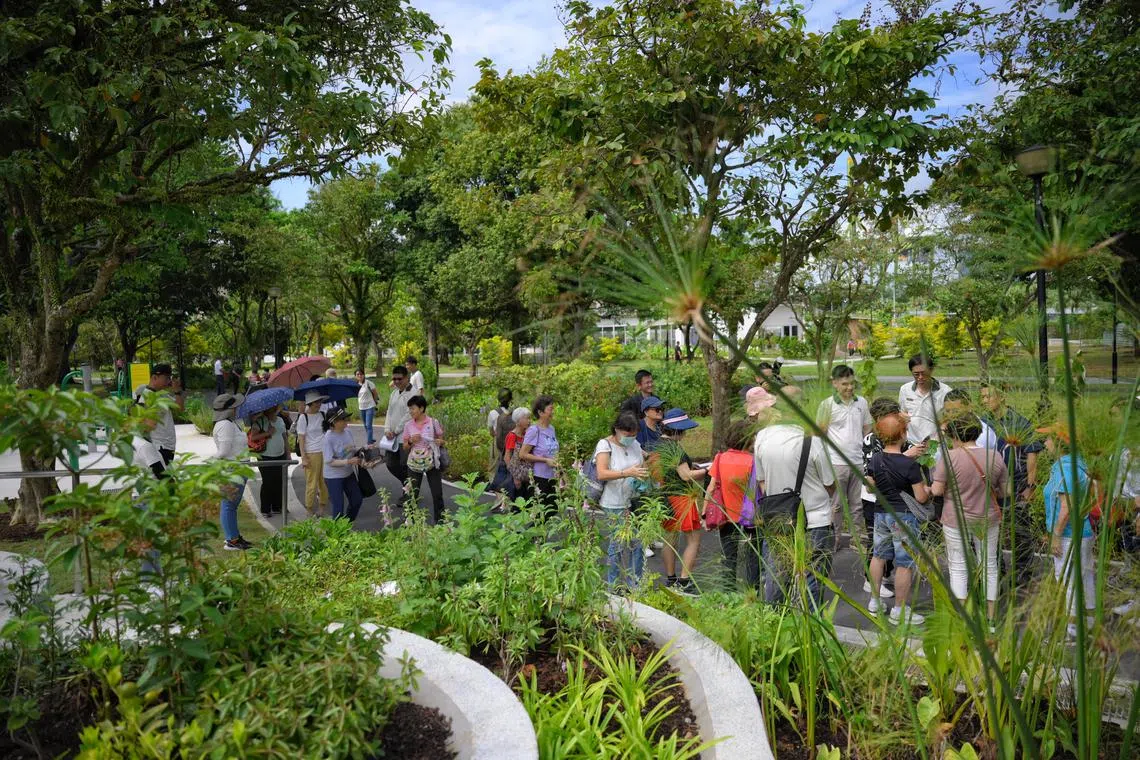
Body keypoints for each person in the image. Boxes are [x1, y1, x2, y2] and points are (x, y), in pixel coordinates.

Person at [754, 405, 836, 607]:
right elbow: (829, 484)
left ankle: (776, 620)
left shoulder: (762, 437)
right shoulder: (813, 441)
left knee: (776, 575)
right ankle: (809, 626)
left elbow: (762, 482)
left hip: (778, 518)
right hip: (815, 519)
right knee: (812, 577)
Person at [931, 413, 1008, 619]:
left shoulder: (949, 457)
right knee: (990, 565)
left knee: (958, 567)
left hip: (955, 519)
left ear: (954, 435)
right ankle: (991, 618)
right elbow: (1005, 491)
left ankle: (964, 619)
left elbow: (937, 491)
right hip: (988, 518)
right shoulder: (995, 456)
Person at [866, 413, 931, 625]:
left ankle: (875, 602)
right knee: (904, 562)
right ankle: (900, 610)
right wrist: (930, 490)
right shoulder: (909, 465)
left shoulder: (875, 459)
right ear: (903, 434)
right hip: (903, 516)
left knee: (879, 555)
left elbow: (869, 484)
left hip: (880, 513)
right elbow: (920, 497)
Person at [979, 382, 1045, 583]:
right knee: (992, 533)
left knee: (1020, 531)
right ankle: (996, 570)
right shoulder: (982, 423)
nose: (984, 401)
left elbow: (1032, 454)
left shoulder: (1019, 422)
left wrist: (1030, 486)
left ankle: (1023, 571)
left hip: (1016, 486)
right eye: (981, 397)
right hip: (990, 488)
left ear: (1001, 397)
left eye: (988, 396)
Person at [1039, 422, 1096, 635]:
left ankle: (1073, 631)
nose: (1045, 443)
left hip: (1069, 536)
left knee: (1068, 580)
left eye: (1048, 438)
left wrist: (1055, 536)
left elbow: (1066, 508)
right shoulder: (1078, 464)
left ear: (1060, 443)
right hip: (1083, 532)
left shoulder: (1067, 469)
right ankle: (1088, 622)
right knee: (1085, 577)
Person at [859, 397, 918, 600]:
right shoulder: (871, 440)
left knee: (887, 547)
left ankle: (884, 577)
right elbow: (878, 469)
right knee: (877, 546)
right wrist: (908, 456)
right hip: (875, 498)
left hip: (894, 497)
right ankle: (872, 580)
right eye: (894, 415)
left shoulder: (897, 434)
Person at [817, 364, 873, 545]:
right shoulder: (827, 405)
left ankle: (856, 539)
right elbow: (820, 434)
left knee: (857, 504)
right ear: (834, 383)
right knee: (837, 505)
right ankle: (834, 539)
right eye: (844, 384)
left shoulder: (862, 402)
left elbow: (867, 429)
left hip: (858, 461)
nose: (849, 387)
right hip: (836, 462)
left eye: (851, 384)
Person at [593, 411, 650, 588]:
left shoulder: (635, 445)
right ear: (617, 430)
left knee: (638, 543)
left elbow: (643, 464)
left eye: (634, 434)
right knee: (617, 544)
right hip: (614, 503)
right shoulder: (605, 445)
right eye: (627, 434)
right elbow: (602, 473)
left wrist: (644, 473)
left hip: (633, 500)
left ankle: (635, 584)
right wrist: (627, 473)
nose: (631, 438)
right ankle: (613, 585)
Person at [704, 419, 762, 589]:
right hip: (751, 517)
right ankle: (754, 592)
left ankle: (728, 593)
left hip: (726, 517)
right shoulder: (754, 461)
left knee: (729, 558)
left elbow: (711, 486)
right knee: (754, 559)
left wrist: (704, 513)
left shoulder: (720, 458)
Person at [656, 407, 707, 594]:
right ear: (678, 430)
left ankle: (671, 578)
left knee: (670, 540)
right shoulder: (675, 448)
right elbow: (686, 476)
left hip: (665, 496)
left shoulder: (657, 444)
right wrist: (707, 471)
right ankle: (685, 581)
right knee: (693, 540)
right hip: (681, 498)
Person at [212, 393, 252, 550]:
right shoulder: (225, 425)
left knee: (232, 505)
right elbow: (223, 451)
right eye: (234, 406)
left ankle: (234, 536)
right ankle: (232, 540)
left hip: (238, 468)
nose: (237, 408)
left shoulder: (231, 423)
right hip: (232, 469)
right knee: (228, 505)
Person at [402, 395, 446, 524]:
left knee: (437, 493)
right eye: (409, 409)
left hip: (432, 461)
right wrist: (410, 441)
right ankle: (410, 521)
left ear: (421, 408)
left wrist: (439, 442)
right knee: (412, 494)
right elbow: (405, 447)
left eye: (413, 409)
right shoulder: (408, 425)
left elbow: (442, 440)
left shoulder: (433, 422)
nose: (411, 412)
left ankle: (441, 522)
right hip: (414, 462)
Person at [134, 363, 183, 465]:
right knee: (163, 479)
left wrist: (177, 391)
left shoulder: (162, 394)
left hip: (168, 445)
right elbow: (144, 426)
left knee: (165, 477)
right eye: (166, 378)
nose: (169, 381)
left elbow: (180, 408)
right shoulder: (146, 396)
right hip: (158, 446)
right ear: (154, 377)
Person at [321, 408, 365, 520]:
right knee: (338, 507)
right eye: (343, 419)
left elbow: (352, 449)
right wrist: (349, 461)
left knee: (357, 500)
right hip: (333, 477)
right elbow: (329, 461)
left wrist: (364, 449)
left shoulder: (348, 432)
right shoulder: (328, 438)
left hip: (348, 473)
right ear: (334, 422)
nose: (346, 421)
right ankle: (337, 534)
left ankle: (346, 525)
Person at [898, 355, 952, 445]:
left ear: (931, 370)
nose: (920, 377)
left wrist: (940, 435)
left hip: (937, 444)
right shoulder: (905, 389)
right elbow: (903, 412)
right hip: (911, 443)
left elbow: (950, 418)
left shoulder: (945, 391)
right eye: (916, 374)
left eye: (924, 373)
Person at [521, 394, 560, 519]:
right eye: (550, 409)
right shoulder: (534, 430)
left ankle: (540, 538)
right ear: (540, 412)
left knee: (552, 510)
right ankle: (534, 538)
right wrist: (545, 460)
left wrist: (562, 474)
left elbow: (554, 454)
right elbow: (523, 454)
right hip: (539, 479)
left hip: (552, 477)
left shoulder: (551, 429)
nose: (553, 412)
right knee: (540, 514)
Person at [383, 366, 416, 498]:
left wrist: (396, 430)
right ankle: (408, 486)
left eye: (399, 379)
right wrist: (386, 429)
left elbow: (410, 415)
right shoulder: (394, 393)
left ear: (406, 378)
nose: (396, 381)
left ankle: (409, 494)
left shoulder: (413, 394)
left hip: (406, 436)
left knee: (404, 465)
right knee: (390, 464)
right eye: (394, 379)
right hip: (392, 438)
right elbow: (389, 413)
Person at [296, 390, 330, 516]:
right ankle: (309, 509)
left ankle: (322, 507)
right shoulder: (303, 418)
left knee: (323, 481)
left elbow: (327, 431)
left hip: (324, 451)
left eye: (320, 401)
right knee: (312, 482)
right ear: (310, 403)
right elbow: (301, 439)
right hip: (311, 453)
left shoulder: (323, 414)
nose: (319, 404)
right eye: (316, 402)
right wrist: (304, 457)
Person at [253, 406, 287, 517]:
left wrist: (288, 453)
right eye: (270, 411)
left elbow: (284, 436)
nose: (272, 412)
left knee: (279, 481)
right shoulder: (260, 421)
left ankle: (277, 506)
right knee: (268, 482)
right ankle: (265, 509)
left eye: (274, 410)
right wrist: (268, 433)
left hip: (280, 455)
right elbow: (253, 437)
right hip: (265, 456)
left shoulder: (280, 420)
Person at [503, 407, 533, 504]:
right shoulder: (512, 436)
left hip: (527, 474)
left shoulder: (527, 434)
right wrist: (515, 476)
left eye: (529, 418)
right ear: (518, 420)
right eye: (526, 418)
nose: (529, 421)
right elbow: (507, 457)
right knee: (518, 503)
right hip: (517, 477)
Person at [355, 369, 380, 445]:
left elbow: (375, 393)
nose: (359, 376)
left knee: (368, 425)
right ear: (355, 376)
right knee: (365, 425)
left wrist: (375, 403)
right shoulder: (355, 385)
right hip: (361, 407)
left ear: (364, 375)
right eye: (357, 374)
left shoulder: (369, 383)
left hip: (370, 406)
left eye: (361, 374)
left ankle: (369, 443)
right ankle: (371, 438)